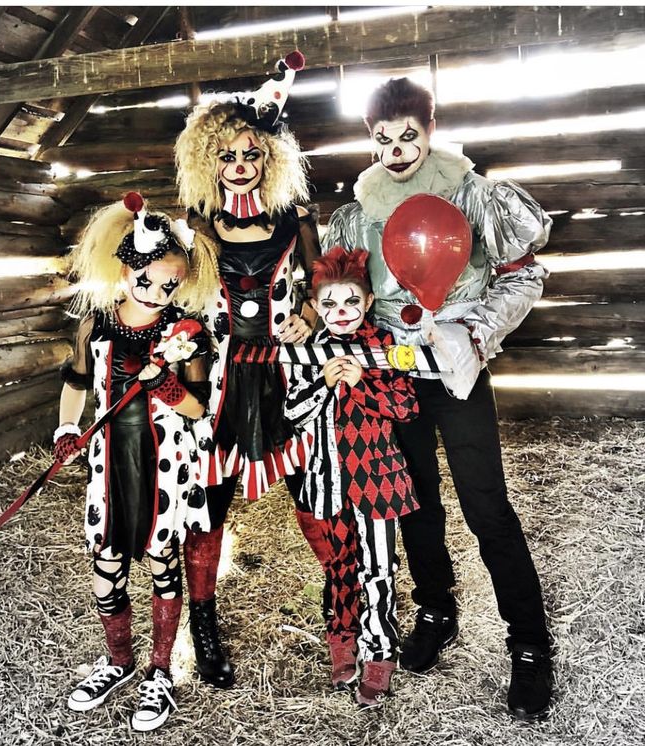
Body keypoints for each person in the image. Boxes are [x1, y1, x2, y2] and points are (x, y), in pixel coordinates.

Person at [323, 77, 553, 721]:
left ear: (429, 129)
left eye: (408, 136)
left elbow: (525, 273)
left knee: (486, 506)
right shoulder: (358, 211)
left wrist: (474, 333)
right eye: (382, 139)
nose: (397, 150)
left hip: (456, 371)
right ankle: (437, 607)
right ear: (370, 140)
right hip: (393, 377)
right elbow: (344, 295)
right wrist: (337, 340)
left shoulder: (472, 194)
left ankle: (529, 644)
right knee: (415, 503)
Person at [174, 51, 336, 661]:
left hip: (286, 377)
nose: (240, 166)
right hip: (215, 379)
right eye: (228, 155)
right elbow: (174, 294)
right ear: (207, 159)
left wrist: (311, 317)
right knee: (207, 502)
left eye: (252, 155)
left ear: (270, 160)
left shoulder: (297, 219)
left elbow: (326, 283)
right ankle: (204, 622)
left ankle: (341, 603)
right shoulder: (196, 225)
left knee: (308, 494)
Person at [53, 192, 221, 731]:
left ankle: (160, 671)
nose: (156, 292)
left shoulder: (187, 335)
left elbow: (200, 409)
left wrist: (168, 386)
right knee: (107, 564)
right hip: (109, 463)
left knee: (162, 562)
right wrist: (66, 428)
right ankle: (119, 661)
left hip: (166, 463)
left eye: (169, 284)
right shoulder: (96, 326)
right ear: (123, 270)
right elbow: (76, 383)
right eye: (145, 280)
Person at [283, 246, 419, 707]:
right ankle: (342, 639)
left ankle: (380, 651)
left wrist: (363, 381)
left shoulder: (384, 347)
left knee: (378, 569)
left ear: (365, 302)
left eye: (349, 303)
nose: (340, 313)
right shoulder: (308, 352)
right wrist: (322, 380)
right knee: (339, 564)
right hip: (327, 479)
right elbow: (294, 413)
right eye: (329, 305)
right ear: (317, 307)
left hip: (376, 478)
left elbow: (405, 407)